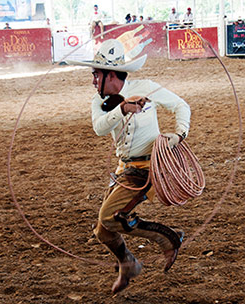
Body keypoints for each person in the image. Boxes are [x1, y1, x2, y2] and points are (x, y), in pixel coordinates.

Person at [67, 39, 190, 294]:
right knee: (103, 231)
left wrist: (179, 135)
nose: (93, 80)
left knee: (109, 218)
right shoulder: (99, 101)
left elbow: (181, 105)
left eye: (95, 75)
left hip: (148, 168)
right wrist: (122, 108)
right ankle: (127, 263)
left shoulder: (146, 88)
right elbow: (100, 129)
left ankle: (167, 237)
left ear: (110, 75)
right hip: (125, 170)